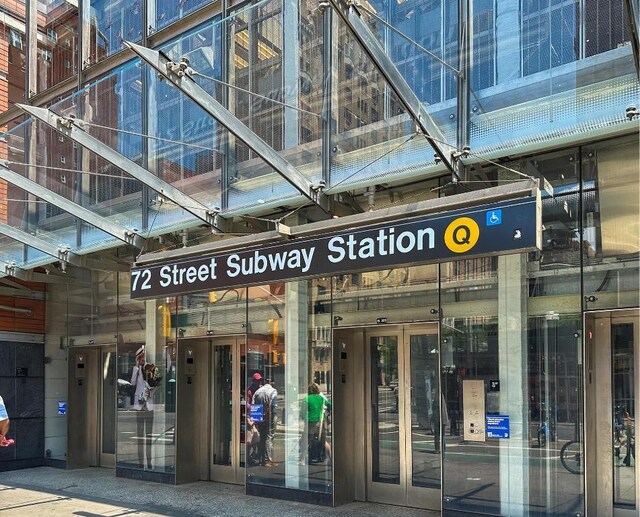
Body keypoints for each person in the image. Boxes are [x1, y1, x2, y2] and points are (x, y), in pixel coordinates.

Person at [131, 346, 159, 469]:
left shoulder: (151, 367)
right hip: (139, 405)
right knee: (139, 435)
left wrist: (151, 392)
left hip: (149, 404)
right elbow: (132, 383)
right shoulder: (136, 369)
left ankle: (149, 462)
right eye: (139, 357)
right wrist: (137, 368)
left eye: (142, 357)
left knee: (148, 435)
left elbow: (156, 385)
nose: (141, 359)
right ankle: (140, 462)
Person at [299, 383, 331, 465]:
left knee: (306, 440)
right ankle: (330, 457)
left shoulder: (307, 399)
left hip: (311, 421)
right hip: (321, 421)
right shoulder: (321, 398)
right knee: (323, 441)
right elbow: (329, 404)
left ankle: (302, 459)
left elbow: (303, 412)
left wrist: (303, 417)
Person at [252, 378, 278, 467]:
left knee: (261, 436)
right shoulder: (273, 391)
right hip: (269, 416)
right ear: (271, 384)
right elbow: (273, 407)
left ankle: (260, 459)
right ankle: (267, 460)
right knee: (269, 436)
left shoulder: (257, 392)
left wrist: (257, 419)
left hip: (259, 416)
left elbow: (254, 406)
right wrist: (267, 416)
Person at [245, 372, 263, 466]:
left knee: (257, 437)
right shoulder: (249, 390)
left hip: (258, 413)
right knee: (250, 437)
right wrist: (252, 407)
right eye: (257, 380)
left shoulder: (260, 389)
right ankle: (248, 457)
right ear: (253, 381)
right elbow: (247, 403)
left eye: (259, 380)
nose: (259, 382)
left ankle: (253, 454)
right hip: (252, 414)